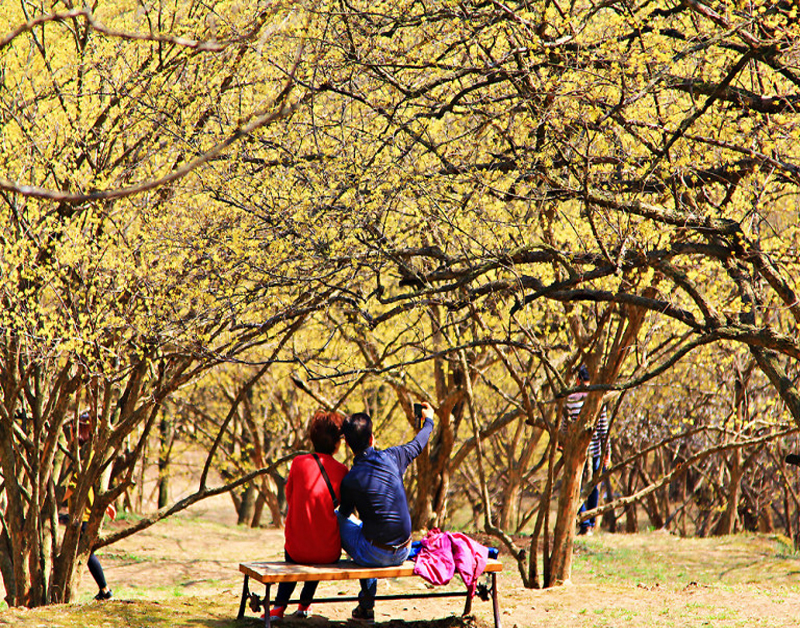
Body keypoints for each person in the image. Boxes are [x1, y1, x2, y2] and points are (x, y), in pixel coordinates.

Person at [337, 402, 434, 623]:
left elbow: (344, 513)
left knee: (337, 518)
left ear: (349, 447)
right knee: (365, 530)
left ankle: (367, 606)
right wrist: (429, 420)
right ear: (372, 439)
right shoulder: (393, 457)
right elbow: (418, 444)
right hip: (404, 549)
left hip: (374, 554)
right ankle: (365, 606)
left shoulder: (350, 479)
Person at [269, 410, 349, 621]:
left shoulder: (298, 463)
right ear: (337, 444)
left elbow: (289, 495)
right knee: (318, 551)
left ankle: (278, 608)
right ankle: (305, 604)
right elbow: (342, 505)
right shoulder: (342, 471)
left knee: (297, 557)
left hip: (296, 549)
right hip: (328, 553)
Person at [61, 412, 116, 601]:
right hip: (82, 511)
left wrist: (57, 499)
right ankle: (103, 589)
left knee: (86, 552)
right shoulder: (85, 452)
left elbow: (78, 481)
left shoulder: (88, 453)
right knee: (82, 551)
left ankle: (105, 589)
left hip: (84, 512)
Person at [565, 365, 611, 536]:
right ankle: (589, 523)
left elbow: (566, 423)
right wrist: (607, 451)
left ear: (578, 380)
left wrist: (563, 443)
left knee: (575, 485)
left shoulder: (570, 398)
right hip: (596, 449)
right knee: (593, 486)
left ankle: (584, 523)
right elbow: (603, 427)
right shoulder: (597, 398)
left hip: (577, 450)